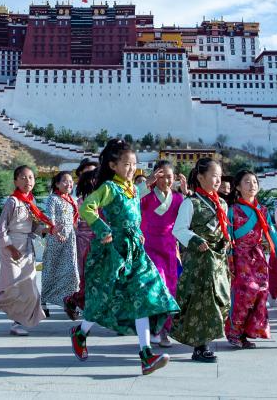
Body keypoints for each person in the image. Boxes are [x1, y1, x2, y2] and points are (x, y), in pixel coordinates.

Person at [70, 139, 178, 376]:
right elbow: (87, 207)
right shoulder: (109, 188)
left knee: (143, 297)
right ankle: (81, 332)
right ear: (113, 165)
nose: (131, 168)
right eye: (127, 164)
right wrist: (102, 229)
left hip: (136, 251)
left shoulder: (132, 189)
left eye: (134, 164)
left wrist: (138, 232)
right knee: (106, 297)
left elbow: (134, 213)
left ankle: (146, 355)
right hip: (115, 251)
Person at [171, 157, 232, 363]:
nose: (218, 180)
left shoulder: (221, 203)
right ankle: (201, 346)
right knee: (201, 300)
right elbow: (179, 230)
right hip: (199, 260)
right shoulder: (191, 203)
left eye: (220, 176)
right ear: (200, 177)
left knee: (219, 298)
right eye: (214, 176)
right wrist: (195, 239)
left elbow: (223, 229)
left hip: (217, 260)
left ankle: (206, 341)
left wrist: (225, 240)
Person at [0, 166, 53, 336]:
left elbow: (34, 227)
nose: (27, 181)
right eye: (23, 177)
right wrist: (10, 248)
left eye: (30, 177)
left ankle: (18, 323)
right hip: (12, 245)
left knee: (29, 289)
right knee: (13, 285)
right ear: (15, 181)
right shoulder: (12, 201)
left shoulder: (31, 201)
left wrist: (48, 230)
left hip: (27, 247)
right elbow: (1, 228)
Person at [225, 169, 277, 349]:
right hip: (240, 256)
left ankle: (247, 333)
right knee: (245, 292)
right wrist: (229, 260)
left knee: (261, 292)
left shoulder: (263, 210)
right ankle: (234, 332)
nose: (252, 185)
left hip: (258, 257)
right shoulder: (232, 210)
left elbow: (272, 233)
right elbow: (228, 236)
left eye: (254, 182)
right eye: (247, 182)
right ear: (237, 187)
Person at [139, 160, 186, 348]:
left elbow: (187, 220)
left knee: (170, 290)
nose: (166, 180)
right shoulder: (146, 197)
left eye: (169, 177)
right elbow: (130, 200)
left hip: (170, 248)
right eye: (161, 176)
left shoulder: (179, 198)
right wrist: (146, 183)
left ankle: (164, 330)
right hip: (150, 247)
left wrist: (187, 194)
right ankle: (154, 328)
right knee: (156, 287)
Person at [41, 170, 81, 318]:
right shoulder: (53, 198)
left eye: (71, 181)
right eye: (65, 181)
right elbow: (49, 217)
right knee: (50, 271)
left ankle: (70, 302)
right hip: (55, 239)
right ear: (57, 184)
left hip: (69, 240)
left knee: (72, 272)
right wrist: (55, 232)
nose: (69, 184)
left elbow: (75, 221)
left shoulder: (71, 200)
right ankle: (43, 301)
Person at [65, 159, 99, 319]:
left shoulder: (104, 197)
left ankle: (78, 302)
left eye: (95, 174)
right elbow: (73, 223)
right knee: (87, 275)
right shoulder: (77, 201)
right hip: (84, 241)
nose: (93, 178)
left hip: (102, 240)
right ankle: (77, 301)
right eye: (89, 174)